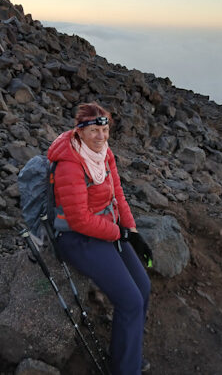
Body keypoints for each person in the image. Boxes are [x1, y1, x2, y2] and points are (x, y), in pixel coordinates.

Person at [47, 102, 152, 375]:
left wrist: (134, 233)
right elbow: (80, 219)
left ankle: (124, 355)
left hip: (105, 228)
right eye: (93, 130)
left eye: (104, 130)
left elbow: (117, 194)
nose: (101, 137)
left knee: (143, 287)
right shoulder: (70, 163)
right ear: (79, 131)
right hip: (76, 237)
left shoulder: (105, 154)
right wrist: (120, 233)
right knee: (129, 300)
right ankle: (126, 370)